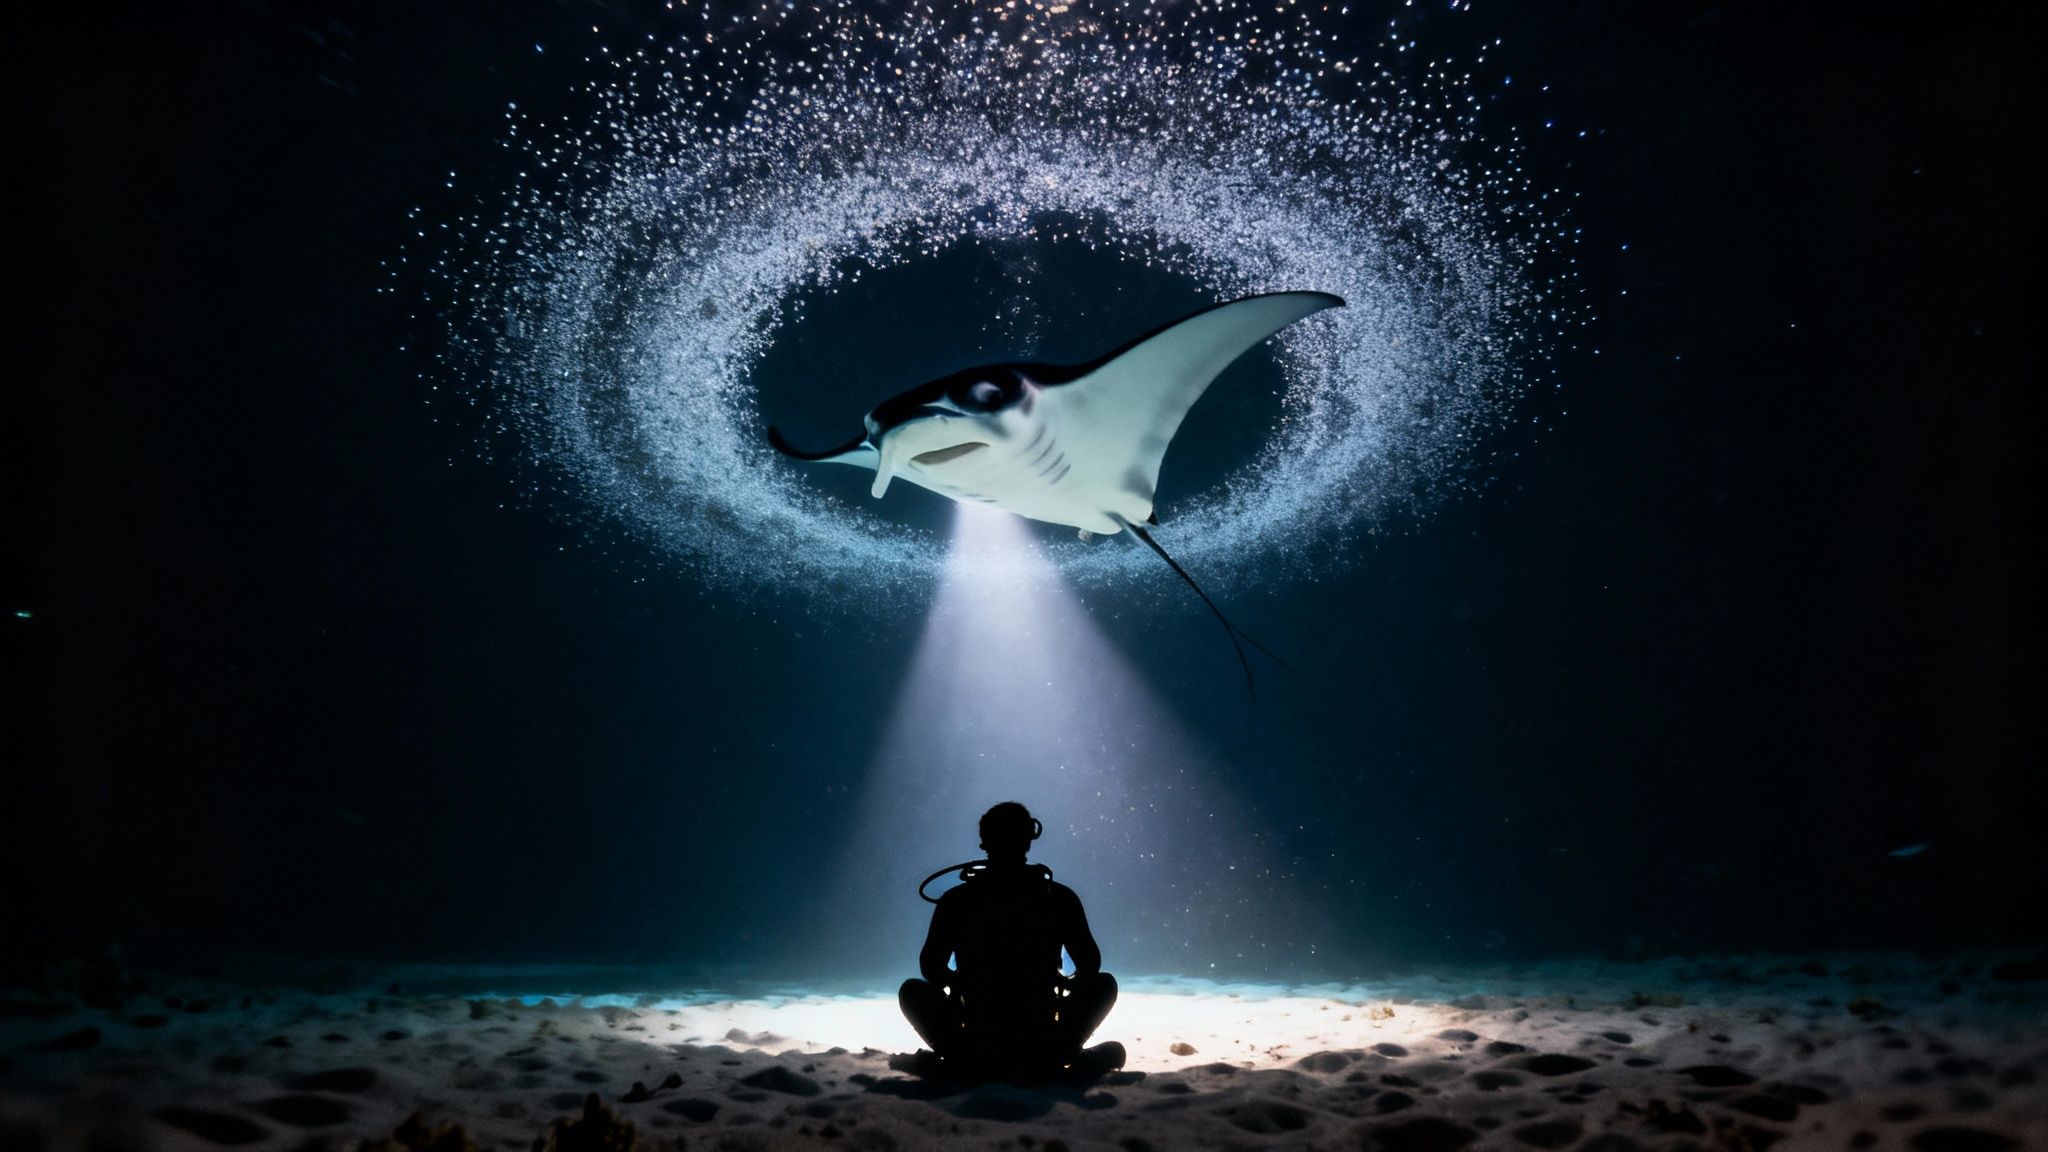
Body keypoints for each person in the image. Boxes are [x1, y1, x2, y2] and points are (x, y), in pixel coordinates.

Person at [898, 802, 1121, 1079]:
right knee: (1105, 985)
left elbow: (930, 968)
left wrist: (962, 983)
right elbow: (1090, 967)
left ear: (983, 842)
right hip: (1042, 1039)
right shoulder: (1059, 898)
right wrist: (1062, 983)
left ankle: (961, 1060)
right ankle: (1059, 1056)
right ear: (1029, 839)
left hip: (976, 1040)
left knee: (911, 991)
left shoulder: (956, 900)